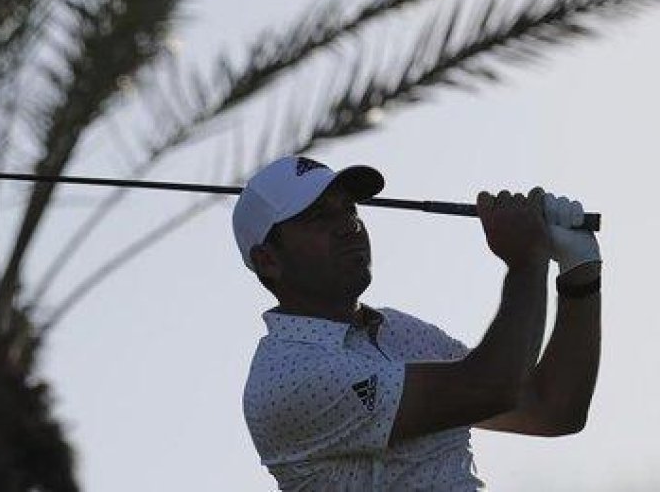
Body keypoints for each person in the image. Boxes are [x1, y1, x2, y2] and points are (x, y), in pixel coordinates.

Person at [233, 155, 602, 490]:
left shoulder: (401, 330)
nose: (348, 226)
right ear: (268, 260)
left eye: (348, 210)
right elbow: (491, 387)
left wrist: (579, 276)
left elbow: (551, 408)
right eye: (319, 218)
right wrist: (526, 261)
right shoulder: (286, 375)